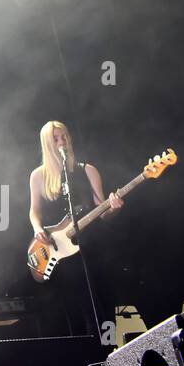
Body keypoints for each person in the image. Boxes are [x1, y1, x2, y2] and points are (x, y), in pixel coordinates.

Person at [28, 120, 123, 337]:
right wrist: (37, 228)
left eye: (65, 137)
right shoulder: (38, 176)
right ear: (47, 143)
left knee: (103, 314)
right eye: (56, 139)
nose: (62, 142)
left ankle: (108, 362)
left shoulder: (87, 170)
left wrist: (114, 208)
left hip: (91, 253)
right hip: (61, 258)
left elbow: (103, 212)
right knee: (74, 318)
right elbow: (34, 210)